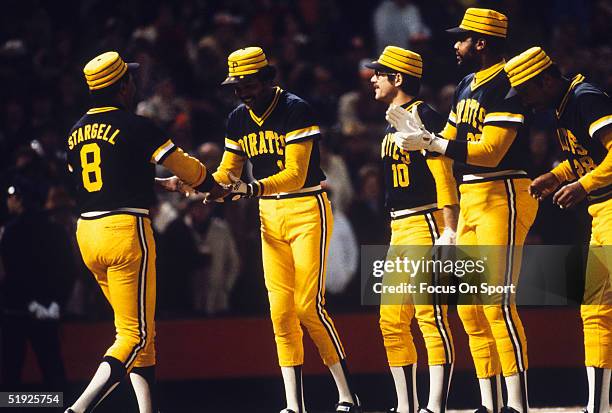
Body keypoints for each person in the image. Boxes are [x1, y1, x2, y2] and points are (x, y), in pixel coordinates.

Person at [388, 9, 538, 413]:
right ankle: (489, 403)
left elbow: (490, 152)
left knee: (496, 302)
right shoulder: (467, 84)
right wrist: (421, 139)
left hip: (504, 189)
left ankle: (517, 404)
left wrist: (433, 144)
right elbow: (449, 143)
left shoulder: (508, 83)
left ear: (483, 42)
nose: (456, 45)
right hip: (472, 197)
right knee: (470, 309)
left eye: (463, 38)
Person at [63, 51, 227, 413]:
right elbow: (189, 168)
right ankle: (78, 409)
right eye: (130, 79)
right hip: (125, 231)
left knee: (139, 331)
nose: (135, 84)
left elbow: (101, 180)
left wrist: (158, 182)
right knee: (134, 336)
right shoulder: (136, 124)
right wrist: (207, 183)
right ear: (122, 87)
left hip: (88, 233)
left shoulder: (75, 131)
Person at [208, 46, 361, 413]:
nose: (241, 91)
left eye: (247, 84)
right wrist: (196, 183)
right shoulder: (237, 119)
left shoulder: (295, 108)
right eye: (236, 85)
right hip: (268, 215)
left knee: (308, 307)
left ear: (267, 78)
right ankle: (294, 405)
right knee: (280, 313)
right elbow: (227, 173)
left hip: (307, 208)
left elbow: (294, 174)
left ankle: (347, 395)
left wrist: (247, 188)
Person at [505, 46, 612, 413]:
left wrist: (581, 185)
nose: (525, 102)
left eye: (526, 92)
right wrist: (558, 174)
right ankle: (596, 406)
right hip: (603, 212)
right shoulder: (564, 105)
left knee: (599, 308)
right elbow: (587, 157)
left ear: (546, 80)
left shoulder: (585, 98)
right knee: (596, 309)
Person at [368, 46, 459, 413]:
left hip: (424, 221)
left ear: (398, 78)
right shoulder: (393, 120)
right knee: (391, 320)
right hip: (399, 228)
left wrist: (448, 227)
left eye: (379, 73)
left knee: (430, 317)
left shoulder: (425, 115)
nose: (372, 78)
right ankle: (406, 406)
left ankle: (434, 407)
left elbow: (445, 173)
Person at [0, 178, 73, 390]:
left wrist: (30, 303)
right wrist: (56, 303)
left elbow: (11, 273)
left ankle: (12, 408)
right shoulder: (56, 230)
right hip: (49, 311)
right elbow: (68, 270)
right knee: (53, 371)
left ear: (18, 198)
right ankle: (58, 408)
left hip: (17, 312)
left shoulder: (11, 232)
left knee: (11, 373)